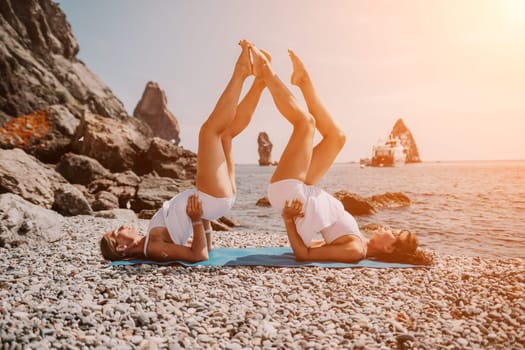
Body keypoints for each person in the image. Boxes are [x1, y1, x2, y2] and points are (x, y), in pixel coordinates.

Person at [249, 44, 432, 265]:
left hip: (290, 195)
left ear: (388, 248)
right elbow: (314, 246)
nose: (388, 227)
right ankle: (303, 81)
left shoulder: (355, 250)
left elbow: (303, 255)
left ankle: (266, 72)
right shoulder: (359, 241)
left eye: (394, 233)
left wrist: (289, 220)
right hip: (303, 192)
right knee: (337, 137)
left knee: (306, 124)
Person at [100, 40, 266, 262]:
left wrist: (204, 219)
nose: (120, 226)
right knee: (208, 132)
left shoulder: (151, 239)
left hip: (212, 200)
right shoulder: (154, 249)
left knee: (225, 135)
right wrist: (197, 218)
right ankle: (242, 72)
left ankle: (261, 82)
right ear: (120, 247)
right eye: (115, 232)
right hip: (211, 197)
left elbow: (205, 246)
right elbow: (200, 255)